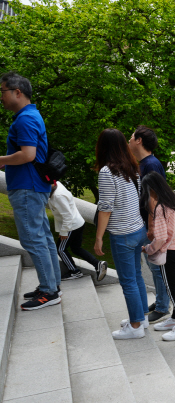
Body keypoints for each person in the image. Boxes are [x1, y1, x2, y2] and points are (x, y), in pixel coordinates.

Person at [0, 72, 61, 310]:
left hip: (27, 186)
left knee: (33, 239)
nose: (1, 97)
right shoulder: (31, 115)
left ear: (17, 92)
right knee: (43, 238)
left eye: (2, 91)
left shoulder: (25, 119)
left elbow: (28, 155)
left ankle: (49, 291)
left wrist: (1, 159)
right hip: (34, 185)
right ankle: (52, 284)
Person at [94, 129, 148, 339]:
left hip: (122, 234)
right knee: (135, 275)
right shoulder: (131, 168)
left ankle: (135, 327)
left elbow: (106, 207)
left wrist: (99, 236)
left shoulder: (107, 172)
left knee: (128, 280)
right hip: (137, 229)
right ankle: (140, 318)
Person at [140, 172, 175, 341]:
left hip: (167, 255)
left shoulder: (161, 207)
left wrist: (147, 249)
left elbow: (160, 238)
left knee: (172, 290)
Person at [128, 126, 170, 324]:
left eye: (131, 137)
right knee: (153, 265)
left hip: (152, 222)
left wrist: (153, 226)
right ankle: (161, 300)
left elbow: (154, 197)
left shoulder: (150, 164)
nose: (128, 140)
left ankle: (163, 307)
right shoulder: (146, 163)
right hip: (146, 221)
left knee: (156, 265)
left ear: (139, 141)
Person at [48, 181, 107, 281]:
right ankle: (98, 264)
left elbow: (67, 216)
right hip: (78, 222)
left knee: (60, 249)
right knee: (76, 248)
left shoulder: (58, 196)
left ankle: (74, 272)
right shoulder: (57, 184)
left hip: (71, 226)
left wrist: (63, 232)